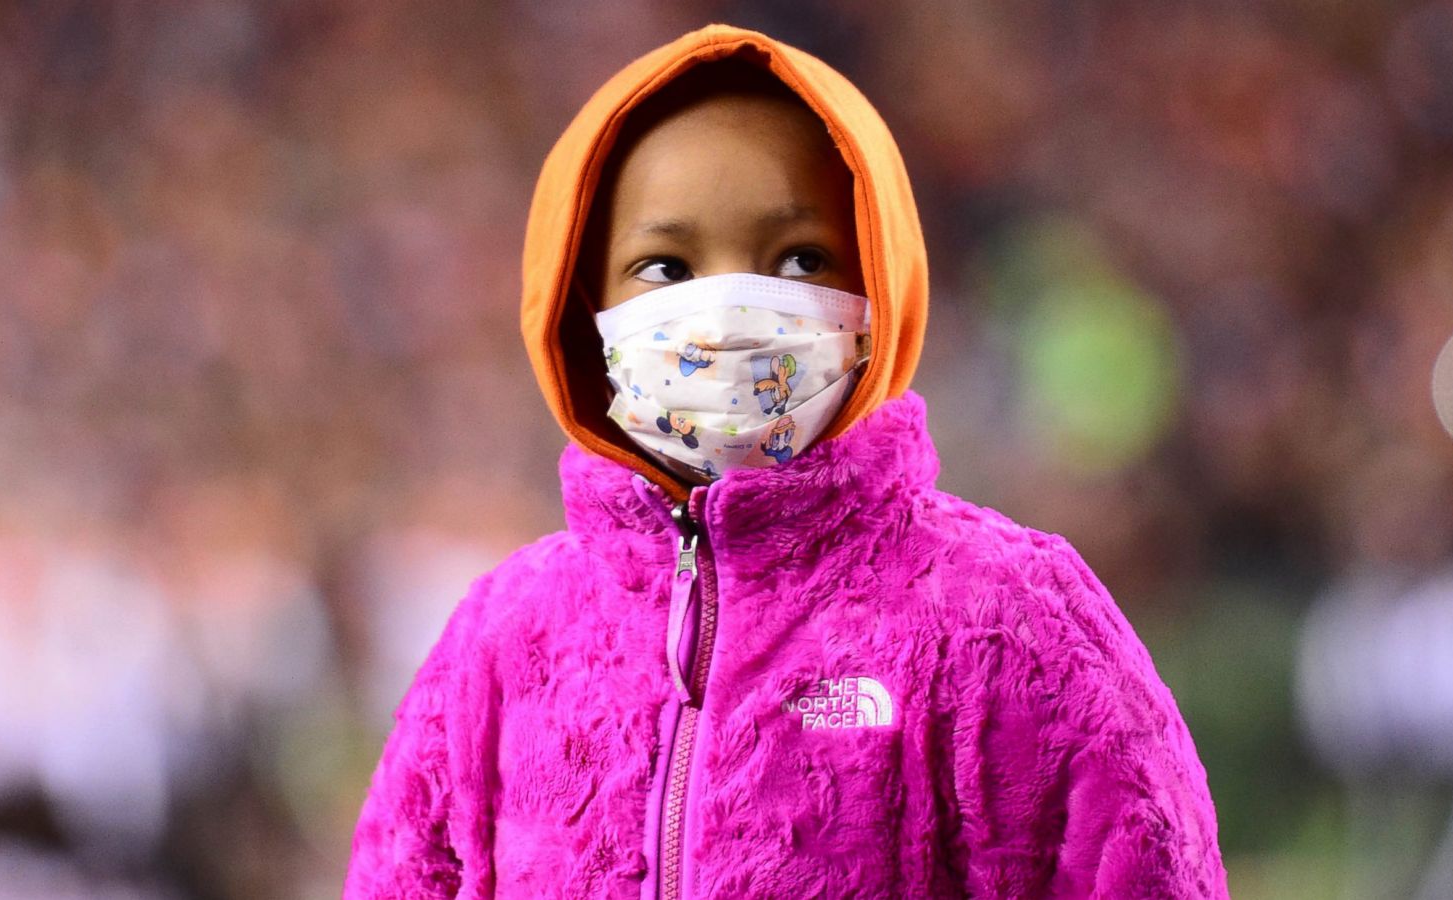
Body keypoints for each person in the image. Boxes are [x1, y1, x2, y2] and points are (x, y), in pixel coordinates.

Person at [345, 23, 1227, 899]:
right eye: (665, 266)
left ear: (878, 283)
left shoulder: (1008, 619)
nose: (726, 306)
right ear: (584, 304)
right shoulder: (504, 641)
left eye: (800, 258)